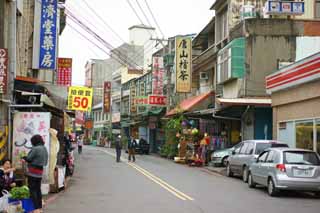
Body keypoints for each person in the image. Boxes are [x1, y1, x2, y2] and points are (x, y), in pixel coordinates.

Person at [22, 135, 48, 213]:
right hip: (40, 172)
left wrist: (24, 157)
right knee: (38, 189)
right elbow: (46, 162)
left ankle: (36, 209)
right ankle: (40, 208)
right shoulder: (44, 148)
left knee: (32, 190)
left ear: (34, 141)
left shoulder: (35, 149)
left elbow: (29, 158)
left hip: (33, 171)